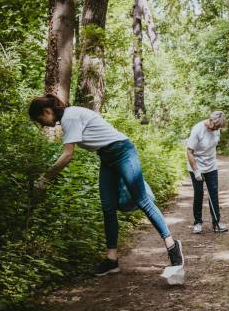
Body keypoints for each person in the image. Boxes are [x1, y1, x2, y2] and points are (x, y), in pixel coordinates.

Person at [28, 94, 183, 276]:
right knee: (108, 207)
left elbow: (67, 155)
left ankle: (172, 247)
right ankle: (111, 260)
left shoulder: (70, 117)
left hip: (123, 151)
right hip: (107, 157)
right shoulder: (67, 119)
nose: (42, 124)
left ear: (47, 111)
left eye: (40, 119)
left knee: (142, 200)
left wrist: (44, 179)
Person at [186, 111, 228, 234]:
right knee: (199, 193)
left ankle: (216, 222)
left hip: (211, 166)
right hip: (196, 165)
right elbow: (189, 152)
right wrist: (196, 171)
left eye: (218, 128)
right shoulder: (198, 129)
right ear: (210, 120)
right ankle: (198, 223)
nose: (215, 129)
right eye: (214, 126)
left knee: (213, 193)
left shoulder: (216, 129)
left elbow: (212, 146)